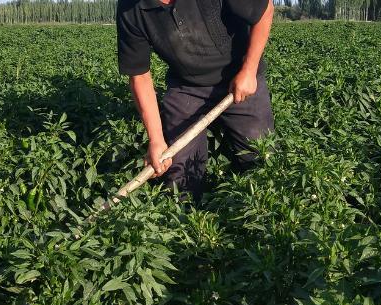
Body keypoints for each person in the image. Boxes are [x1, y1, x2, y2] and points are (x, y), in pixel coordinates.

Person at [116, 0, 275, 202]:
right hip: (187, 87)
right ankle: (186, 220)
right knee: (179, 175)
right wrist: (155, 139)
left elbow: (265, 9)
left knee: (261, 158)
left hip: (240, 77)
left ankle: (255, 212)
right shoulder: (130, 8)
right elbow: (140, 76)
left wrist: (250, 70)